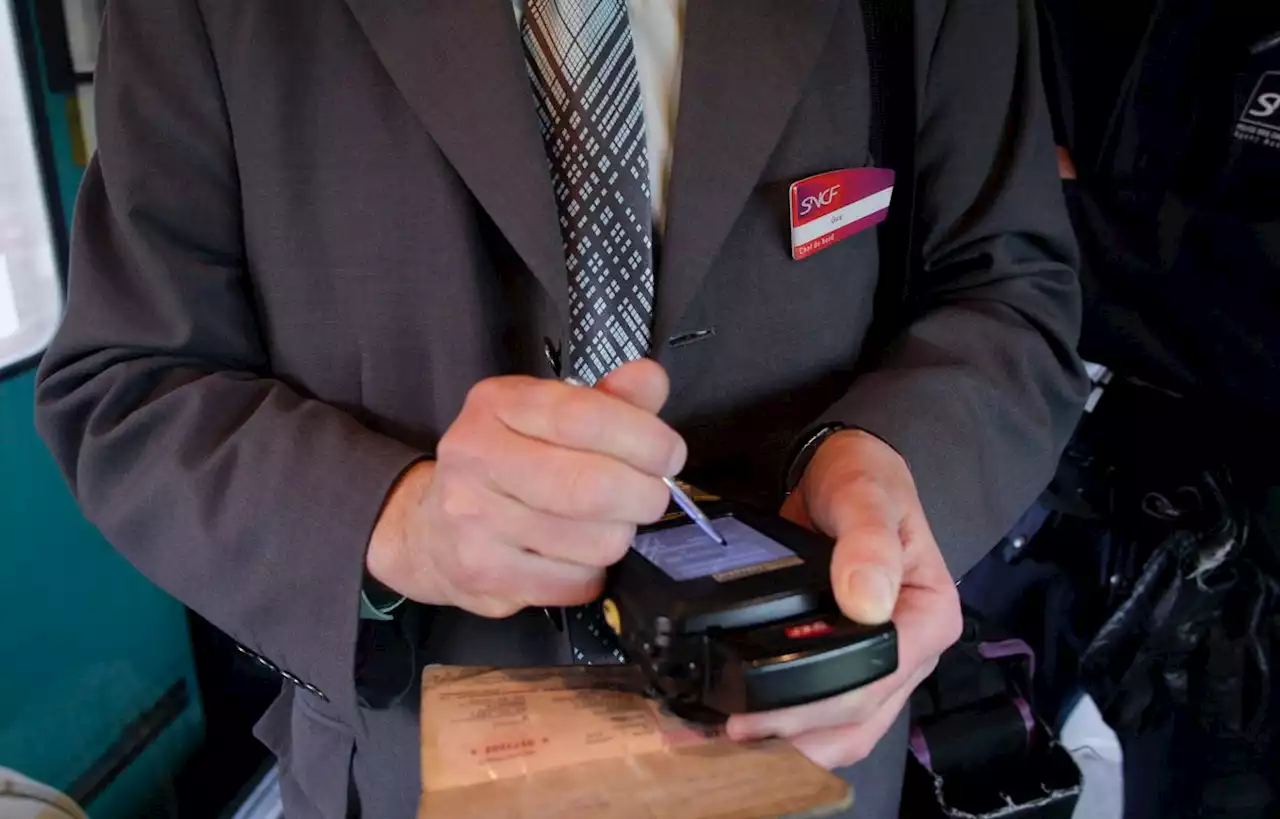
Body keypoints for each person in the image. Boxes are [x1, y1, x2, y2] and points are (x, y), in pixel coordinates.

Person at [33, 0, 1087, 816]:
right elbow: (128, 382)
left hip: (808, 762)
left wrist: (892, 459)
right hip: (413, 773)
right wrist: (395, 521)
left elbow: (1010, 290)